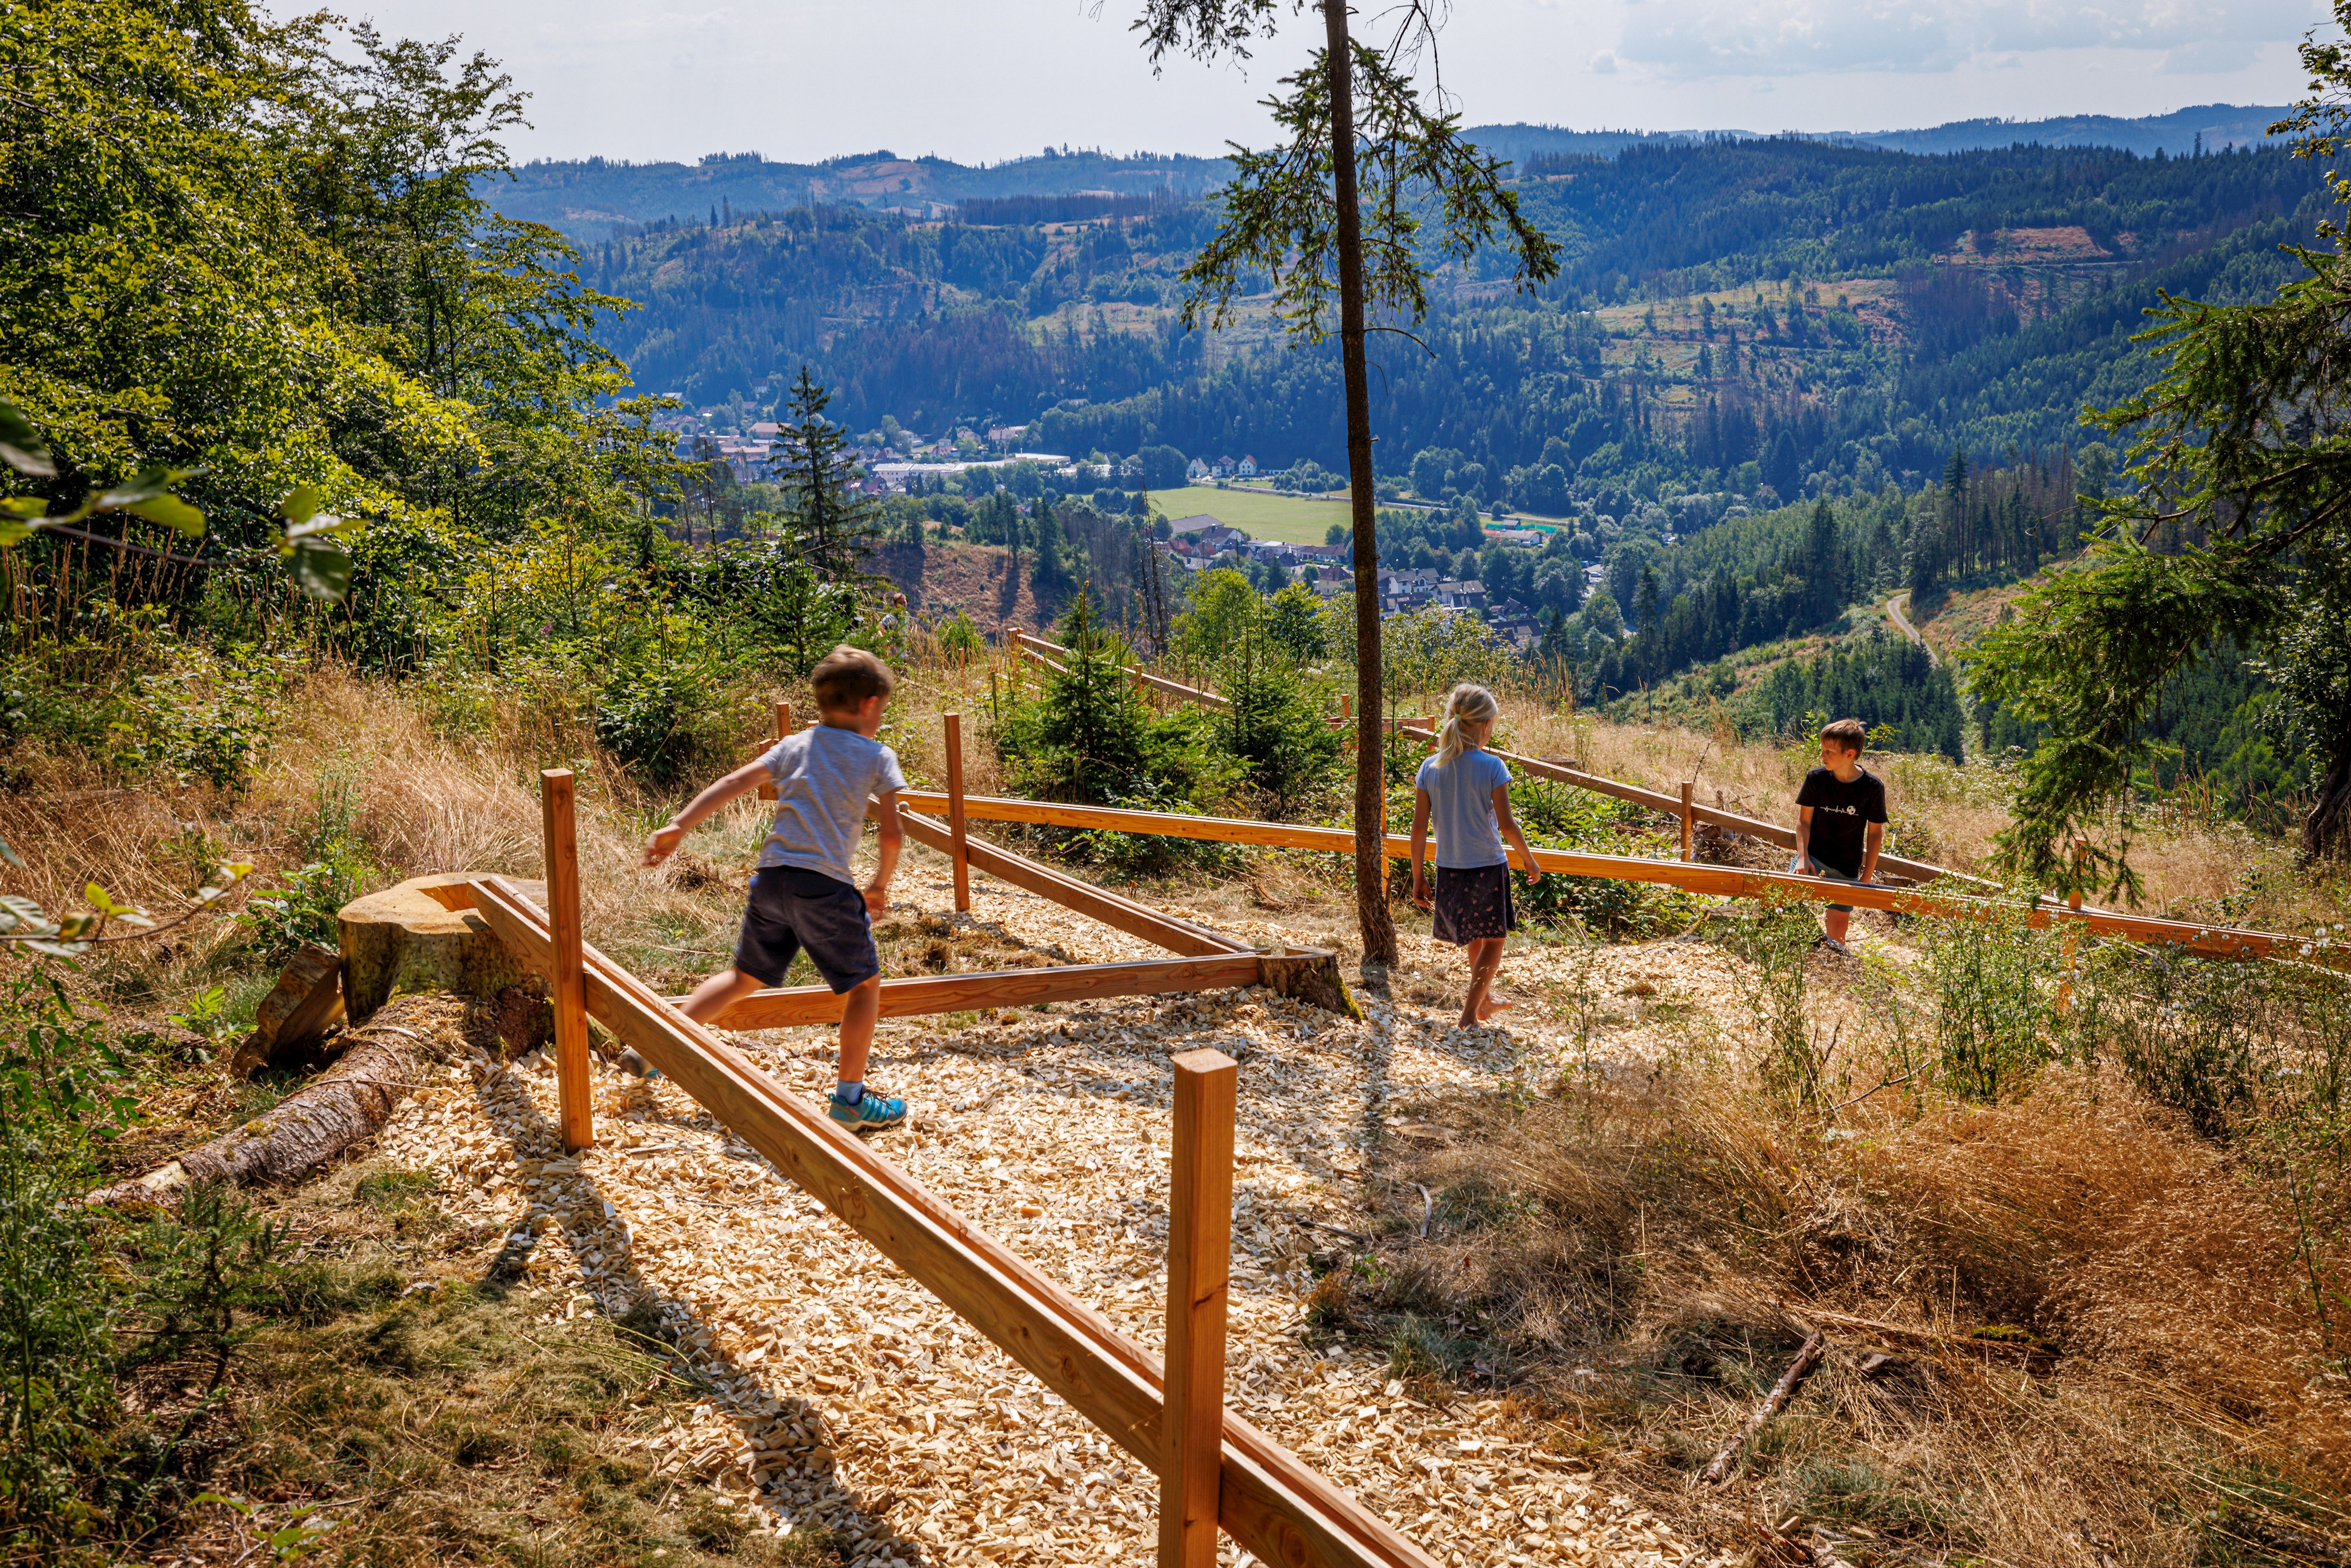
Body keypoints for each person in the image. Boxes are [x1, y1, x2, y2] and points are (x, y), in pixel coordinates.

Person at [642, 645, 910, 1131]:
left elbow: (732, 781)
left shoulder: (798, 745)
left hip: (771, 879)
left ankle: (657, 1043)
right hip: (824, 887)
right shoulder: (878, 756)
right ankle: (849, 1100)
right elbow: (892, 832)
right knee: (865, 986)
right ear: (871, 704)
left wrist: (678, 826)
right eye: (882, 709)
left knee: (745, 977)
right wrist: (878, 885)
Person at [1409, 684, 1542, 1028]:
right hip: (1486, 866)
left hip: (1448, 867)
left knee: (1474, 936)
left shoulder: (1429, 768)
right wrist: (1529, 859)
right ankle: (1470, 1015)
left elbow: (1419, 830)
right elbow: (1508, 826)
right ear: (1486, 725)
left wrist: (1417, 875)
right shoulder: (1492, 766)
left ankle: (1484, 1002)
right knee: (1495, 939)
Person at [1791, 717, 1887, 955]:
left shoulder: (1873, 788)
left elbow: (1875, 836)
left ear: (1850, 754)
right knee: (1785, 902)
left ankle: (1829, 964)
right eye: (1822, 750)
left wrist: (1865, 878)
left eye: (1829, 751)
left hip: (1846, 868)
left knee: (1836, 941)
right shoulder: (1816, 779)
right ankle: (1808, 945)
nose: (1822, 756)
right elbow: (1803, 822)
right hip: (1812, 858)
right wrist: (1803, 859)